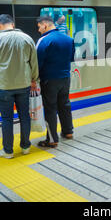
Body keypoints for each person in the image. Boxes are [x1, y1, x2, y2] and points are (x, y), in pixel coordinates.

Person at [0, 14, 39, 158]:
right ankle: (26, 146)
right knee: (24, 116)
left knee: (6, 119)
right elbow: (33, 62)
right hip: (24, 84)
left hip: (3, 87)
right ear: (13, 24)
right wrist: (34, 79)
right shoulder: (27, 38)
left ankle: (8, 151)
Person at [36, 16, 75, 148]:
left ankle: (52, 139)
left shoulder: (44, 40)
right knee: (65, 104)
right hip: (65, 78)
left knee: (50, 108)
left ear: (45, 25)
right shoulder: (69, 39)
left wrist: (34, 79)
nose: (39, 30)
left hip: (49, 80)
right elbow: (71, 58)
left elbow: (37, 63)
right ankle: (68, 132)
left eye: (39, 27)